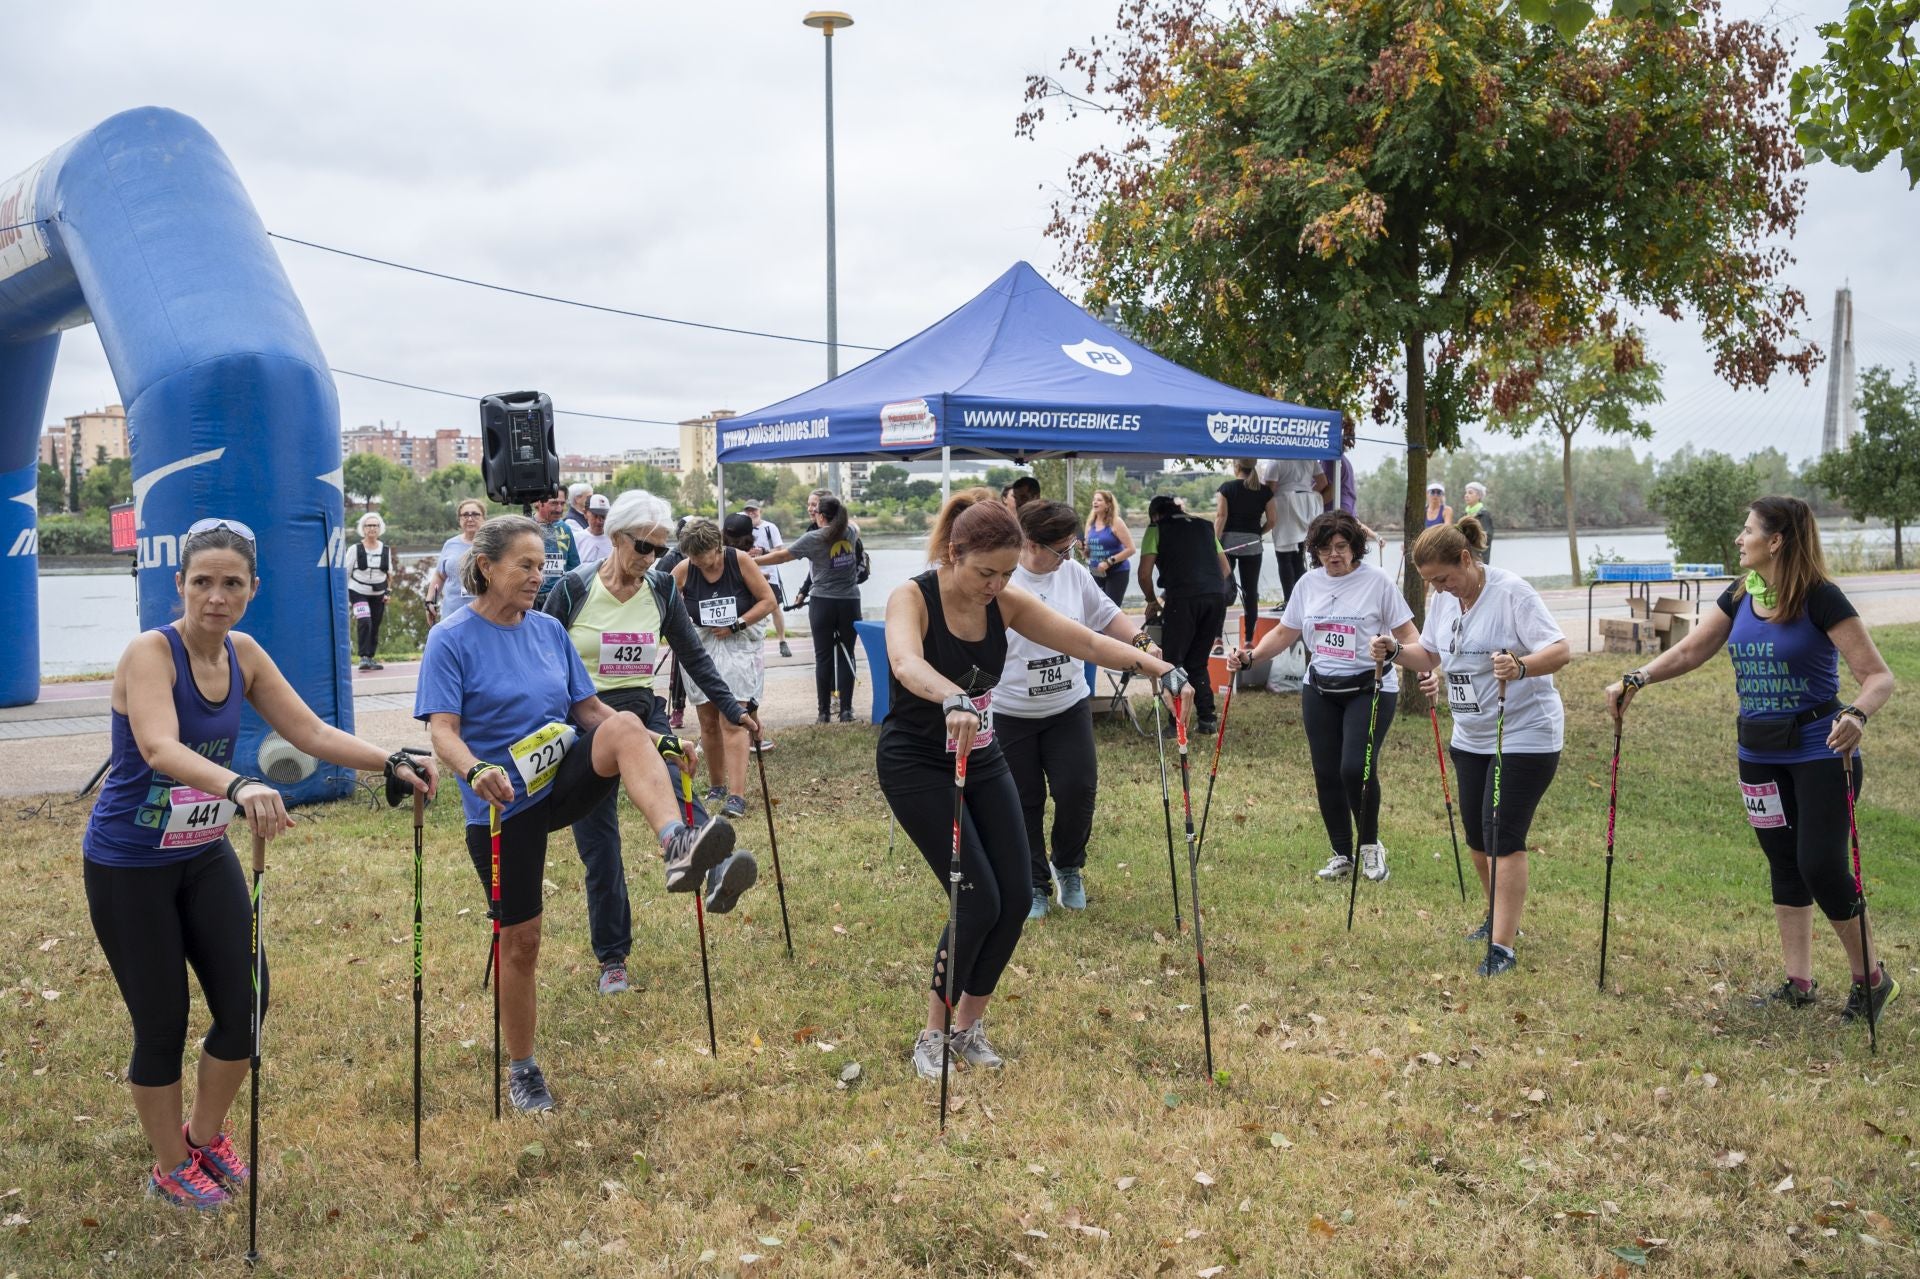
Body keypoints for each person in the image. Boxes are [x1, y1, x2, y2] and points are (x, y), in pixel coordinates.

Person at [84, 518, 435, 1208]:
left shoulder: (243, 653)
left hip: (202, 851)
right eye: (203, 581)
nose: (216, 596)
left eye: (232, 583)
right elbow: (157, 745)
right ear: (178, 583)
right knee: (161, 1020)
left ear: (252, 590)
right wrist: (240, 785)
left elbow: (309, 730)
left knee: (247, 1002)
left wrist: (389, 758)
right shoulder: (149, 654)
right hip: (130, 862)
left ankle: (204, 1134)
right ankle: (167, 1165)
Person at [417, 514, 748, 1107]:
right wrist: (474, 769)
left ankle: (679, 844)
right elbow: (443, 730)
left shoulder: (547, 630)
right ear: (487, 566)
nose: (537, 577)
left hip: (561, 777)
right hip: (502, 802)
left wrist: (658, 743)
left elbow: (590, 710)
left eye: (542, 565)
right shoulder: (452, 638)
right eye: (525, 565)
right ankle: (523, 1068)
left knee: (624, 722)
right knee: (522, 941)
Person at [883, 492, 1182, 1080]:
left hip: (983, 753)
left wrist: (1160, 667)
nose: (995, 585)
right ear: (954, 552)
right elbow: (902, 662)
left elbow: (1089, 642)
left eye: (1007, 573)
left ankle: (969, 1028)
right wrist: (951, 697)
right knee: (975, 897)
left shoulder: (1007, 602)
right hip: (918, 762)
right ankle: (932, 1035)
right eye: (984, 572)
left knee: (1016, 896)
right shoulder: (911, 597)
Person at [1606, 497, 1898, 1022]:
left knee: (1821, 866)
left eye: (1747, 531)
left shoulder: (1820, 597)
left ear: (1776, 540)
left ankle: (1871, 979)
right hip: (1757, 754)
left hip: (1820, 752)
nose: (1740, 540)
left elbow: (1879, 677)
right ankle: (1799, 982)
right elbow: (1691, 650)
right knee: (1784, 864)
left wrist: (1857, 713)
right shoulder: (1742, 593)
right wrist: (1638, 678)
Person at [541, 493, 763, 994]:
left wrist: (734, 709)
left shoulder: (661, 588)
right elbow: (541, 658)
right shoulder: (574, 589)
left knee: (676, 788)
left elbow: (694, 657)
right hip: (585, 719)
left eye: (660, 550)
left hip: (641, 708)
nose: (650, 559)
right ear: (616, 537)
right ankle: (613, 960)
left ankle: (715, 867)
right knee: (600, 848)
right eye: (643, 546)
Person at [1368, 517, 1568, 976]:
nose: (1439, 588)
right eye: (1430, 583)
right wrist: (1396, 652)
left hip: (1524, 733)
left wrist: (1520, 666)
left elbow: (1560, 650)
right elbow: (1431, 655)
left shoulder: (1512, 592)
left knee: (1503, 835)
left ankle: (1503, 948)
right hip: (1472, 736)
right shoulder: (1444, 602)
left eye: (1443, 577)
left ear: (1465, 559)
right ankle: (1494, 916)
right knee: (1478, 838)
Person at [1230, 511, 1420, 884]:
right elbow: (1285, 633)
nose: (1334, 555)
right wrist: (1251, 655)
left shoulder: (1377, 582)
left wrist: (1400, 652)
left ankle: (1370, 848)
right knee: (1326, 773)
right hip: (1319, 687)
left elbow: (1411, 637)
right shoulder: (1308, 584)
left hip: (1370, 686)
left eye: (1341, 547)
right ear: (1314, 552)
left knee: (1354, 768)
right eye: (1325, 549)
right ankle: (1341, 853)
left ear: (1355, 548)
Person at [991, 501, 1159, 920]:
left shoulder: (1074, 573)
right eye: (1060, 550)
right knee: (1023, 800)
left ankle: (1067, 866)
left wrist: (1142, 644)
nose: (1068, 557)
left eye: (1072, 548)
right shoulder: (1003, 580)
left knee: (1077, 791)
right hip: (1013, 712)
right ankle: (1032, 883)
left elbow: (1107, 616)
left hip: (1067, 706)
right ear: (1030, 543)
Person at [672, 516, 777, 819]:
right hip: (702, 644)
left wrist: (737, 624)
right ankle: (716, 784)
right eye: (693, 560)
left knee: (733, 718)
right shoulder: (684, 568)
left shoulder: (740, 561)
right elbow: (663, 601)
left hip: (738, 641)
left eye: (704, 560)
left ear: (717, 548)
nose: (699, 566)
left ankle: (737, 795)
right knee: (707, 720)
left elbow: (768, 601)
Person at [755, 493, 862, 723]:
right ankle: (846, 710)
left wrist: (749, 562)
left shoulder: (814, 537)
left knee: (823, 657)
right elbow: (854, 525)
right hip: (850, 602)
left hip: (822, 602)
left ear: (821, 517)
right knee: (847, 654)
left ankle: (823, 713)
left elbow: (782, 557)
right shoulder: (850, 533)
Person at [1138, 494, 1231, 735]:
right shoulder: (1205, 526)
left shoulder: (1156, 528)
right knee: (1198, 660)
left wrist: (1152, 600)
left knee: (1173, 660)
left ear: (1155, 515)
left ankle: (1176, 721)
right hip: (1214, 597)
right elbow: (1225, 568)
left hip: (1183, 599)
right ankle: (1207, 718)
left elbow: (1144, 574)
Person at [1215, 458, 1278, 646]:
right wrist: (1257, 533)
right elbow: (1273, 520)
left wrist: (1214, 543)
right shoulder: (1265, 491)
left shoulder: (1226, 488)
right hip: (1252, 545)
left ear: (1236, 467)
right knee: (1251, 592)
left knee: (1222, 589)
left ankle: (1217, 638)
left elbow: (1221, 516)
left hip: (1227, 545)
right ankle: (1249, 640)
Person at [1258, 457, 1320, 605]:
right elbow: (1322, 481)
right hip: (1307, 505)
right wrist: (1306, 493)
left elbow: (1270, 489)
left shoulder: (1276, 461)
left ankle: (1289, 600)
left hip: (1285, 504)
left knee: (1284, 556)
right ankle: (1302, 599)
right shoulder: (1310, 458)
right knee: (1299, 556)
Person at [743, 498, 793, 659]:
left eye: (754, 510)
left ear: (760, 511)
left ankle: (782, 641)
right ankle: (749, 640)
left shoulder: (770, 528)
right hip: (748, 574)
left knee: (775, 607)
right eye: (748, 511)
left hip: (769, 574)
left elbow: (780, 550)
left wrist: (763, 552)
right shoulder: (742, 528)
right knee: (746, 606)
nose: (751, 513)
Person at [426, 497, 486, 623]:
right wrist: (430, 601)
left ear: (483, 518)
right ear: (459, 520)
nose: (470, 518)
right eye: (465, 515)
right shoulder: (450, 544)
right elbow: (439, 576)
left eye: (475, 514)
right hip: (452, 615)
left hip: (485, 615)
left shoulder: (493, 544)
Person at [348, 511, 394, 671]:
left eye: (375, 525)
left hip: (378, 593)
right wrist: (344, 596)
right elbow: (345, 573)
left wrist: (388, 592)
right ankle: (363, 657)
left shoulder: (385, 549)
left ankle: (370, 657)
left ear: (380, 528)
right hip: (357, 591)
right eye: (369, 525)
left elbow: (389, 574)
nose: (372, 528)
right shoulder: (355, 549)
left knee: (375, 625)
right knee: (365, 621)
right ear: (363, 528)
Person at [1084, 489, 1137, 609]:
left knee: (1110, 609)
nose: (1095, 502)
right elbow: (1088, 554)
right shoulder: (1090, 524)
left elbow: (1131, 549)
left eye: (1099, 500)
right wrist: (1082, 547)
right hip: (1096, 572)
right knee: (1093, 608)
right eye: (1094, 500)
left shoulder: (1116, 522)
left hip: (1117, 572)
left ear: (1108, 504)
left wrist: (1109, 562)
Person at [533, 486, 580, 609]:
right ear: (538, 502)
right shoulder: (525, 528)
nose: (559, 509)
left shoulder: (565, 529)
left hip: (558, 597)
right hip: (531, 597)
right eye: (554, 503)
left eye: (562, 503)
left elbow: (574, 566)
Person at [1320, 414, 1359, 515]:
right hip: (1347, 513)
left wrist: (1311, 505)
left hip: (1337, 516)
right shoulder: (1342, 459)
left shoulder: (1331, 460)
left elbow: (1331, 491)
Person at [575, 493, 613, 563]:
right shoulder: (576, 539)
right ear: (585, 513)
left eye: (603, 517)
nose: (599, 521)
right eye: (595, 516)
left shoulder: (615, 540)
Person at [1461, 482, 1492, 561]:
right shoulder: (1465, 513)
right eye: (1466, 493)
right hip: (1466, 555)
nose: (1466, 495)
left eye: (1470, 493)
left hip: (1479, 557)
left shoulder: (1483, 514)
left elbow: (1486, 537)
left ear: (1478, 496)